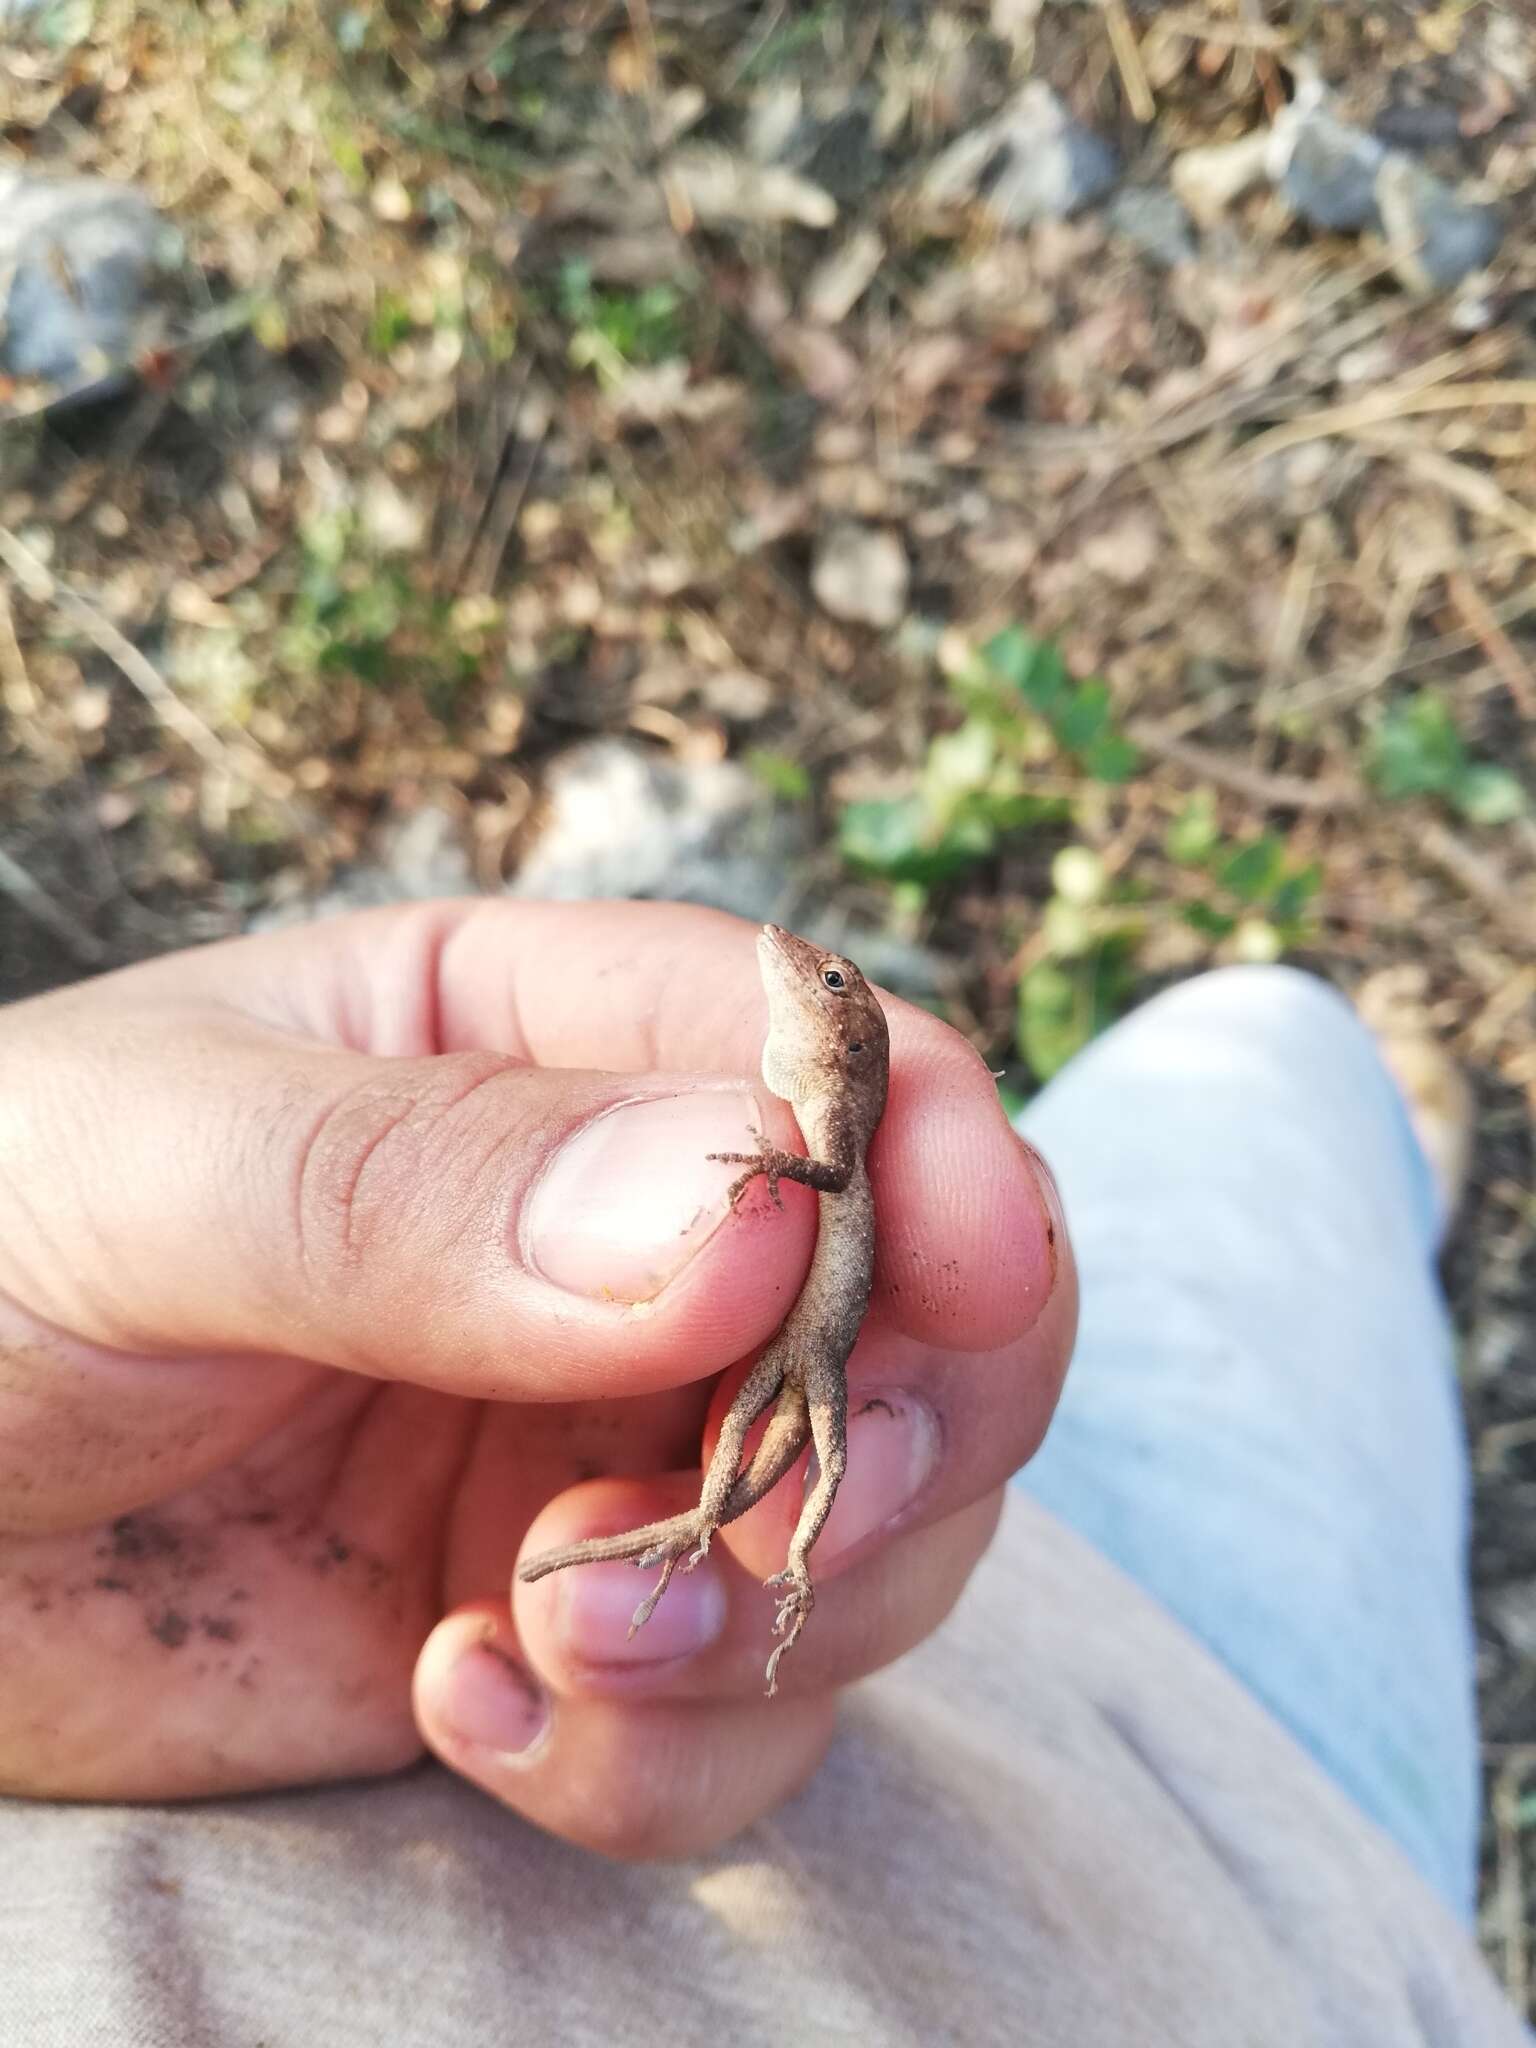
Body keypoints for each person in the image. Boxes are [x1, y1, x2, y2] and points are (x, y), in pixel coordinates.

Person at [0, 898, 1525, 2045]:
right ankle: (1365, 1146)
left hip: (842, 1336)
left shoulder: (827, 1128)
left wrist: (753, 1180)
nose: (800, 968)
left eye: (831, 984)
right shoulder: (804, 1109)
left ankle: (766, 1567)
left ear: (843, 1038)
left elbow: (825, 1180)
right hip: (1246, 1814)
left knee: (791, 1459)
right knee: (1267, 1053)